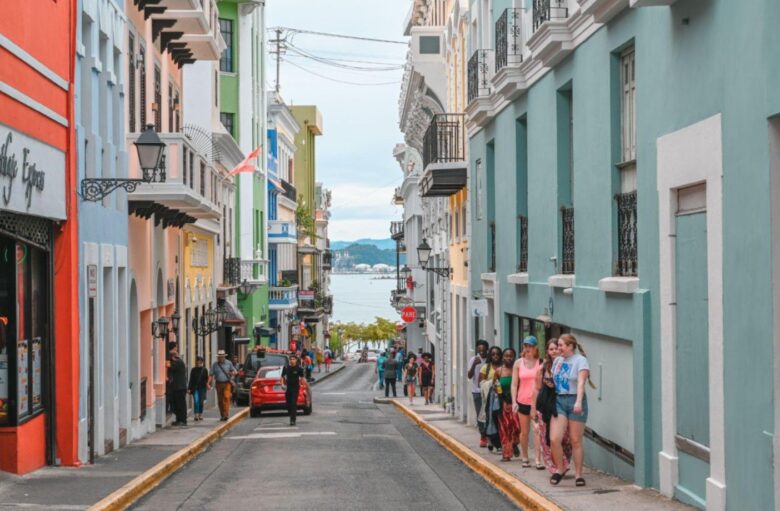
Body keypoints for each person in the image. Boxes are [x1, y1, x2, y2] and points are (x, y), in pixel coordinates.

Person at [550, 334, 595, 487]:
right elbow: (555, 381)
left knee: (575, 440)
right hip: (559, 400)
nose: (558, 348)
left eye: (561, 345)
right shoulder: (558, 361)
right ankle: (560, 469)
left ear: (570, 346)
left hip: (575, 399)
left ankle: (578, 475)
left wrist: (578, 402)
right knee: (554, 439)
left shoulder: (580, 360)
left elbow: (581, 383)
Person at [535, 339, 571, 474]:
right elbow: (536, 389)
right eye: (551, 349)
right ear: (547, 351)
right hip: (546, 406)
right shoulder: (543, 367)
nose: (554, 351)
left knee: (565, 438)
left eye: (556, 348)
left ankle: (564, 463)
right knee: (547, 438)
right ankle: (556, 467)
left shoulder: (567, 364)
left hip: (562, 405)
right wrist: (533, 409)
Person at [511, 336, 541, 468]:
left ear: (535, 348)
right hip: (522, 401)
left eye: (530, 346)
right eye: (525, 346)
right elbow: (514, 384)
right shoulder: (518, 363)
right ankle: (525, 456)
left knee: (538, 430)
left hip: (537, 402)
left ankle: (538, 459)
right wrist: (514, 402)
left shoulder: (540, 363)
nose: (527, 348)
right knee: (524, 432)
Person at [493, 347, 521, 462]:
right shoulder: (499, 371)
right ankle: (506, 454)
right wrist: (497, 389)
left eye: (511, 356)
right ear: (503, 357)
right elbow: (495, 386)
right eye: (506, 356)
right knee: (504, 429)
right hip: (503, 403)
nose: (509, 358)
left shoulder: (518, 370)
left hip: (516, 403)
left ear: (514, 357)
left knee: (517, 427)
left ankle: (514, 443)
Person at [480, 346, 504, 453]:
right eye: (493, 354)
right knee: (490, 419)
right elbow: (481, 383)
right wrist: (491, 384)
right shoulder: (486, 368)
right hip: (489, 398)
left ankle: (499, 443)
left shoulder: (504, 367)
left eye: (497, 354)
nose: (495, 356)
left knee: (499, 420)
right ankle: (490, 440)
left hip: (501, 397)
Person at [468, 340, 489, 447]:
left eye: (483, 350)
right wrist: (474, 365)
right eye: (479, 350)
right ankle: (483, 436)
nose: (481, 352)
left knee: (489, 413)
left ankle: (489, 435)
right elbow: (469, 376)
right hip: (476, 391)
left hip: (488, 391)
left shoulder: (489, 360)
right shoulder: (473, 360)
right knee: (480, 415)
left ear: (487, 349)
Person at [209, 350, 237, 421]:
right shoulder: (215, 365)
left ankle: (226, 414)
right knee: (220, 400)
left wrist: (231, 373)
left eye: (222, 357)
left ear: (224, 357)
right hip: (218, 383)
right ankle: (222, 415)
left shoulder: (229, 363)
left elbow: (235, 372)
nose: (221, 358)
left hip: (227, 383)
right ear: (218, 357)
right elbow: (211, 374)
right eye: (219, 357)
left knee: (226, 397)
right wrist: (208, 383)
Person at [281, 354, 305, 426]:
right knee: (288, 404)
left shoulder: (299, 368)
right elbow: (282, 376)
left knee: (293, 403)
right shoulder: (286, 368)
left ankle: (293, 420)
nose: (292, 360)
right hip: (288, 388)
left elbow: (302, 377)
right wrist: (282, 384)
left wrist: (302, 385)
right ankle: (291, 413)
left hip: (295, 388)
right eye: (291, 359)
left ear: (296, 360)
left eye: (293, 359)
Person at [168, 345, 188, 426]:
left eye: (171, 357)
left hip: (180, 387)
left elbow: (170, 367)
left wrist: (168, 364)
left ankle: (183, 420)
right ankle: (179, 419)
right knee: (177, 404)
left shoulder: (178, 362)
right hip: (178, 387)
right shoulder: (178, 362)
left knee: (181, 404)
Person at [188, 356, 209, 421]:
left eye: (200, 362)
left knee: (201, 402)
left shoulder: (205, 370)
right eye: (198, 362)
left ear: (202, 362)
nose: (199, 363)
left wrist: (208, 385)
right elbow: (191, 380)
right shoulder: (193, 370)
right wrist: (189, 388)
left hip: (202, 388)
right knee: (196, 401)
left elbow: (206, 379)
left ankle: (200, 414)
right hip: (195, 388)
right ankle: (196, 415)